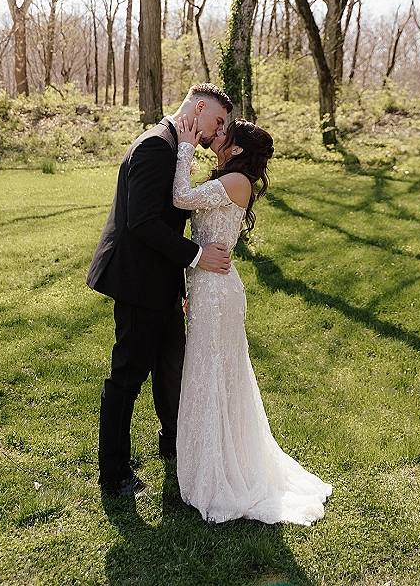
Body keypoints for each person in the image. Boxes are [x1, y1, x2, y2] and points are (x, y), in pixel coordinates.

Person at [172, 115, 332, 524]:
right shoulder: (228, 177)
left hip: (219, 291)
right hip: (209, 285)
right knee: (211, 373)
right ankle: (215, 458)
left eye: (224, 132)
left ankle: (224, 471)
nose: (217, 134)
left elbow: (181, 198)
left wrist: (185, 146)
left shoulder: (236, 181)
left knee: (217, 375)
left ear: (238, 148)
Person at [86, 83, 233, 497]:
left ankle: (173, 443)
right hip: (137, 280)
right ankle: (114, 475)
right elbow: (144, 222)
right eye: (217, 122)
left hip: (162, 279)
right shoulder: (156, 146)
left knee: (171, 366)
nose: (216, 133)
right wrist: (197, 256)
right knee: (127, 376)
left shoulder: (174, 145)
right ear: (199, 108)